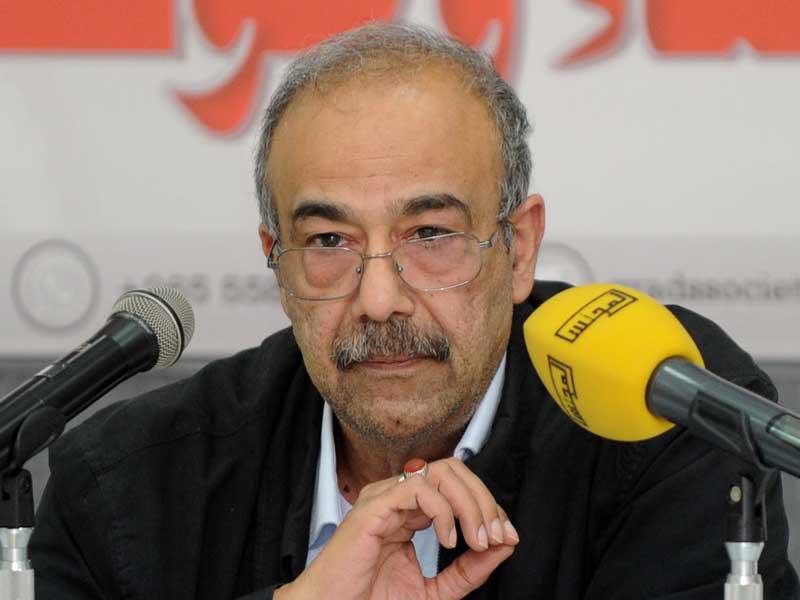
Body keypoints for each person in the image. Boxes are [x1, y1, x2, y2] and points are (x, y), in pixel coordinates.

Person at [30, 23, 799, 600]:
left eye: (430, 234)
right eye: (328, 241)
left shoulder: (662, 416)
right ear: (277, 259)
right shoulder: (131, 484)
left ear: (520, 248)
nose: (378, 300)